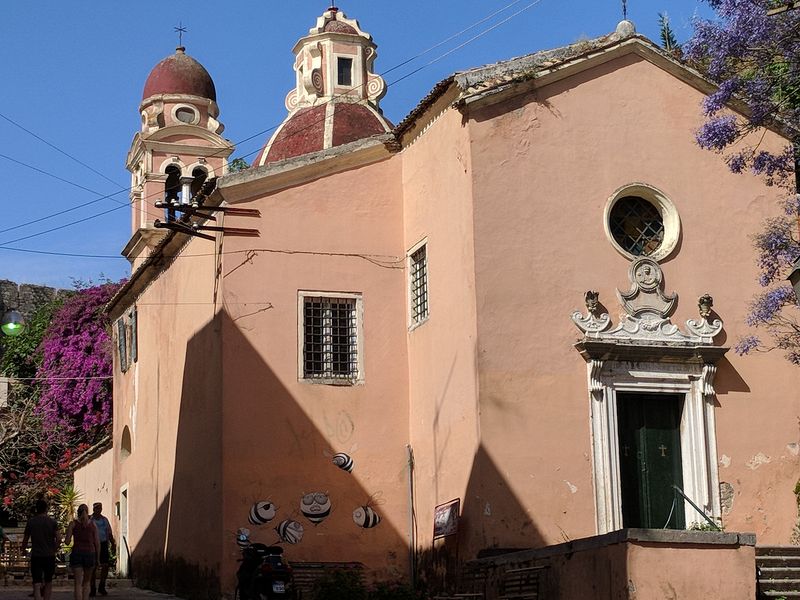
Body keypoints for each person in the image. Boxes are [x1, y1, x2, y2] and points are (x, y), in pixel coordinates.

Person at [21, 499, 60, 600]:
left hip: (36, 555)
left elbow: (25, 539)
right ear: (46, 509)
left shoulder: (31, 522)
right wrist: (54, 549)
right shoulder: (52, 522)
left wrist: (23, 550)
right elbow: (59, 538)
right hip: (49, 555)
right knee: (48, 581)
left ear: (36, 509)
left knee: (36, 582)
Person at [65, 504, 100, 600]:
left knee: (78, 583)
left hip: (77, 553)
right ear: (88, 512)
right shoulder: (93, 525)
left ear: (78, 512)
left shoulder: (73, 524)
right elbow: (97, 543)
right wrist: (98, 558)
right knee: (87, 582)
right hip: (90, 554)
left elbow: (67, 542)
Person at [90, 503, 115, 596]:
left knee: (105, 565)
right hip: (93, 545)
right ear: (93, 509)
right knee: (93, 567)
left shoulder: (104, 520)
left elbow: (109, 532)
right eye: (96, 508)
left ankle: (102, 586)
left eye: (100, 508)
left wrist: (113, 544)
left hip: (103, 544)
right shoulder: (90, 520)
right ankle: (92, 588)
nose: (98, 510)